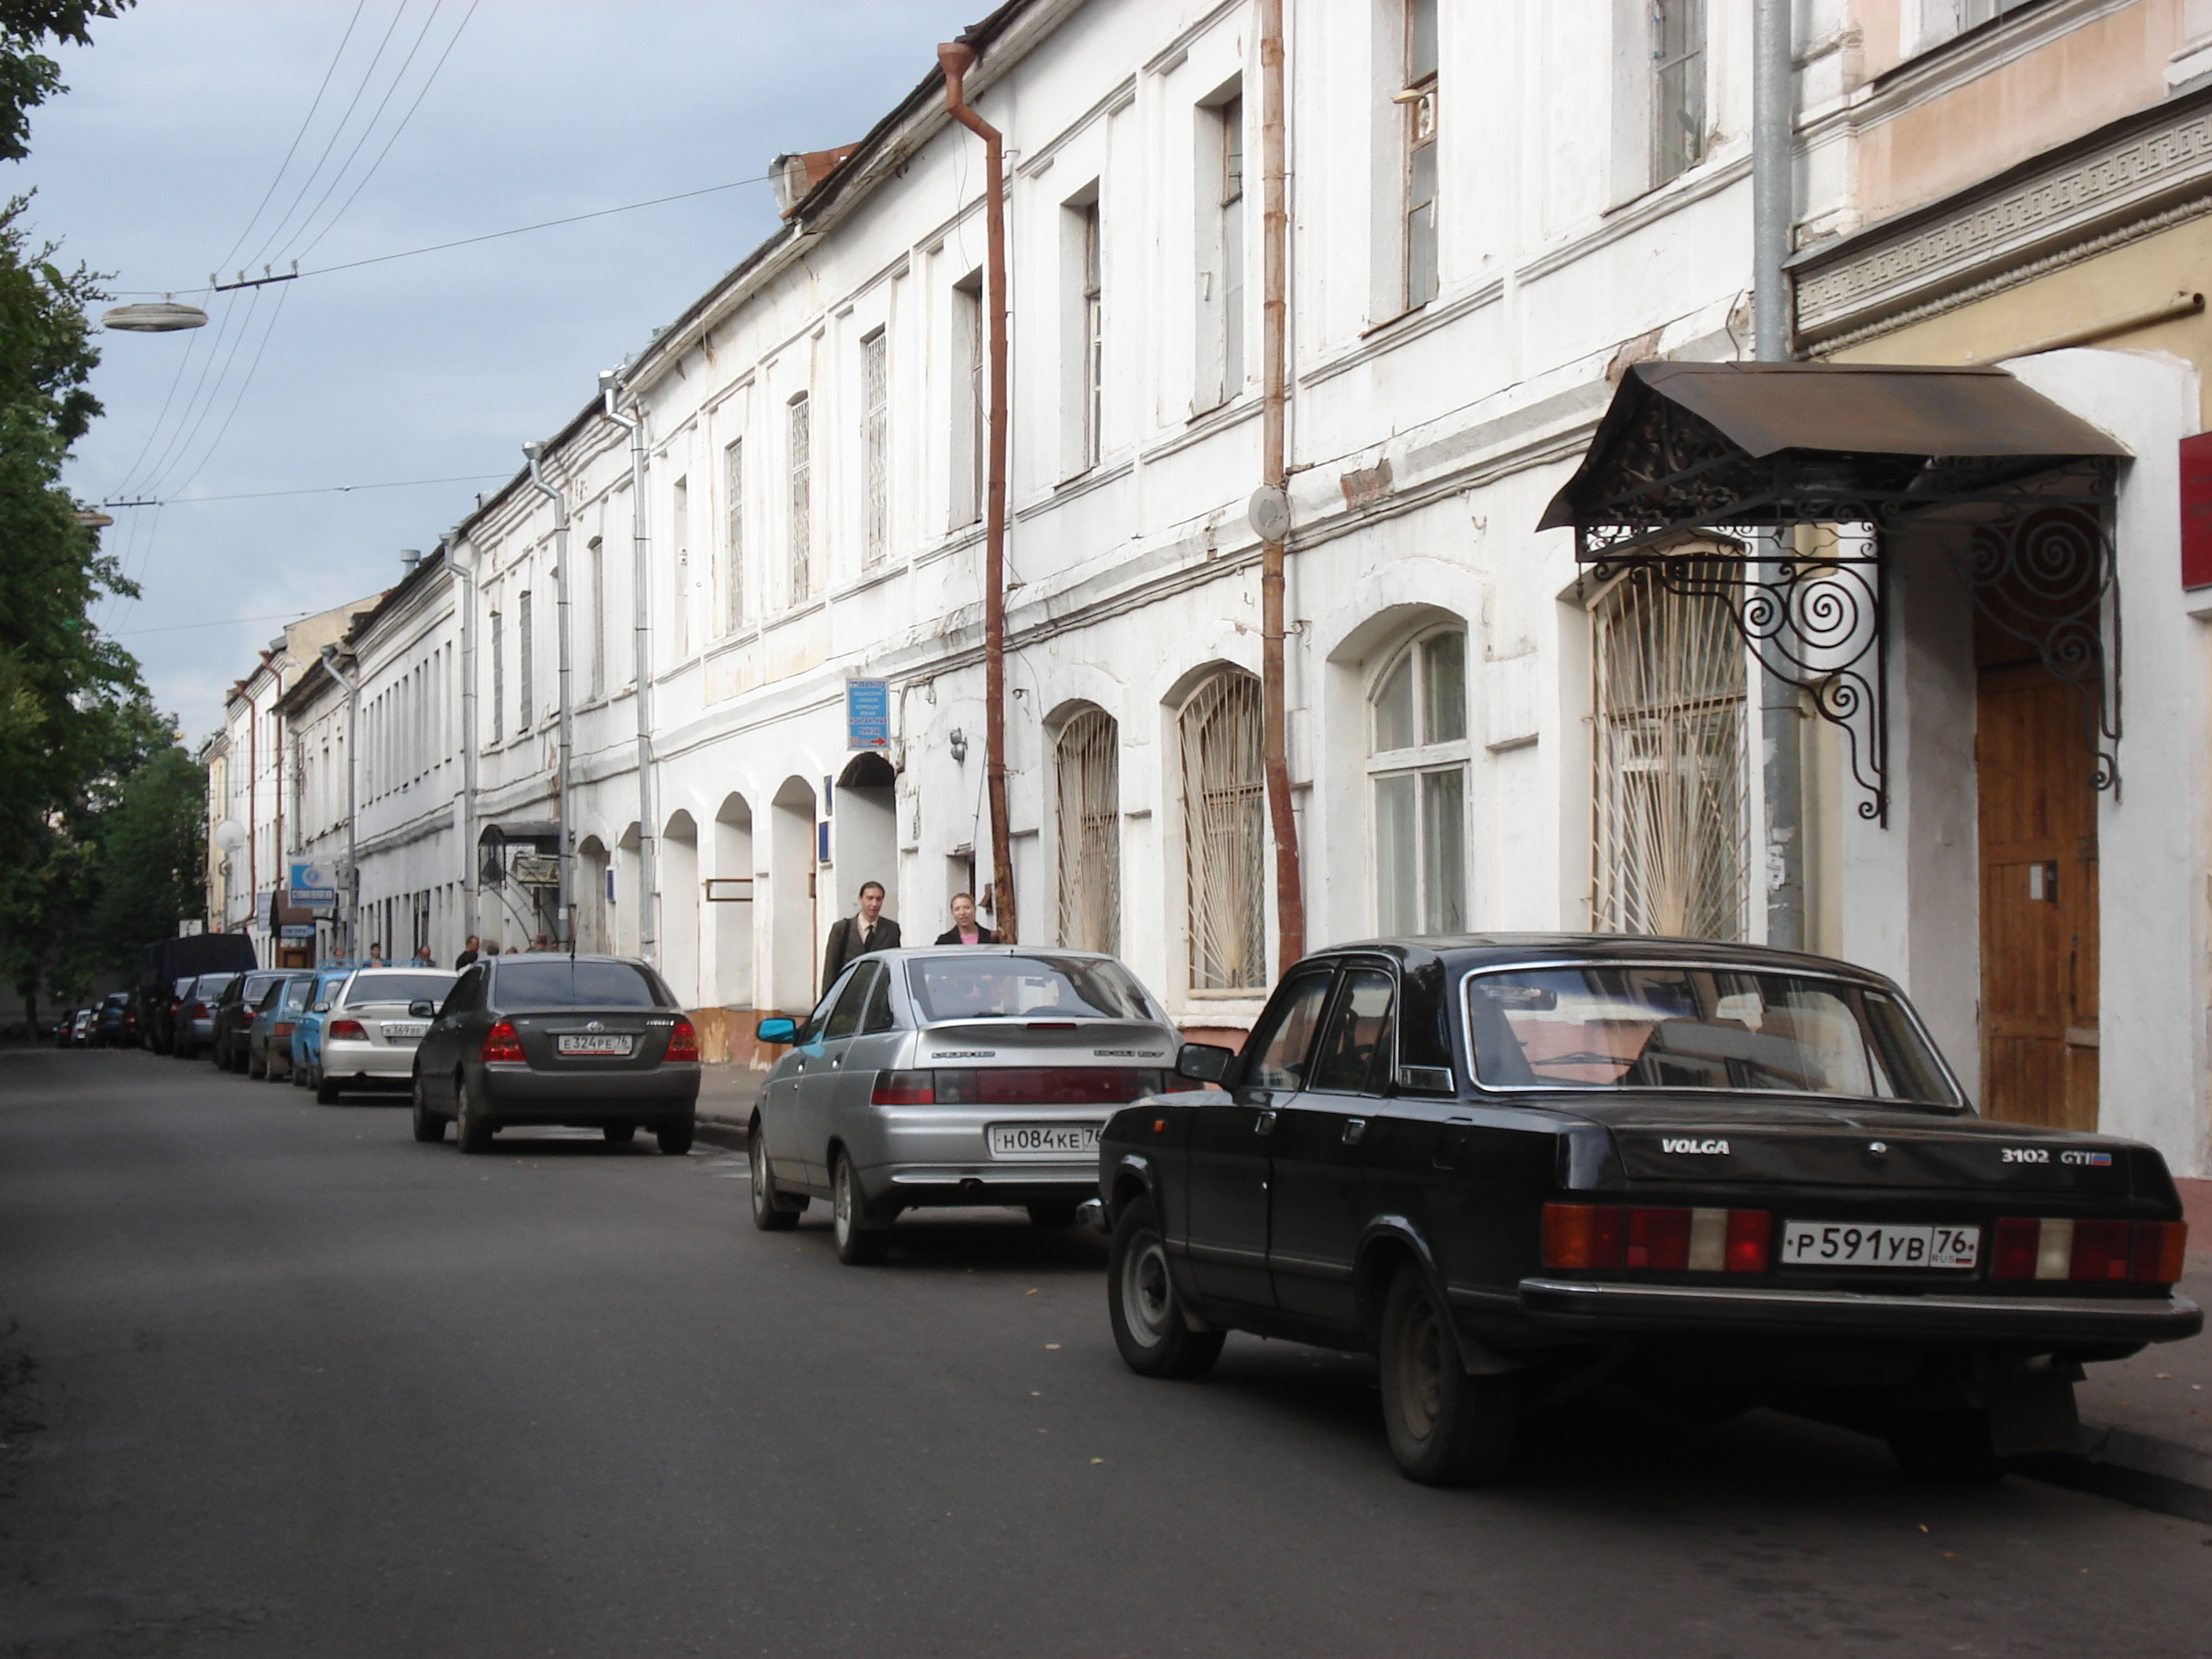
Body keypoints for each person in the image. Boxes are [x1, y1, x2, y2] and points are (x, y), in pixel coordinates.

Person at [822, 880, 900, 984]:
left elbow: (895, 965)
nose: (874, 904)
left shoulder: (891, 929)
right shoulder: (842, 929)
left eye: (879, 899)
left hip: (879, 992)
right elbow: (831, 969)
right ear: (860, 899)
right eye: (870, 898)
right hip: (850, 991)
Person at [933, 892, 998, 946]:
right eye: (957, 909)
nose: (962, 913)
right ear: (952, 913)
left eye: (967, 908)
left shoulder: (991, 938)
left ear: (974, 909)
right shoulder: (944, 942)